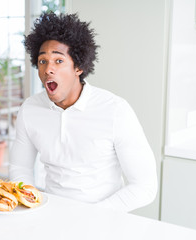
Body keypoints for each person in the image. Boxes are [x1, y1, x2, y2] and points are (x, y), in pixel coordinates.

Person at [9, 12, 157, 212]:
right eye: (43, 61)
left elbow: (145, 186)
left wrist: (91, 216)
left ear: (78, 66)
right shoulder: (30, 109)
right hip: (51, 215)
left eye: (58, 61)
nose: (48, 70)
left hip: (104, 219)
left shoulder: (115, 111)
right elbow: (20, 168)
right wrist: (32, 202)